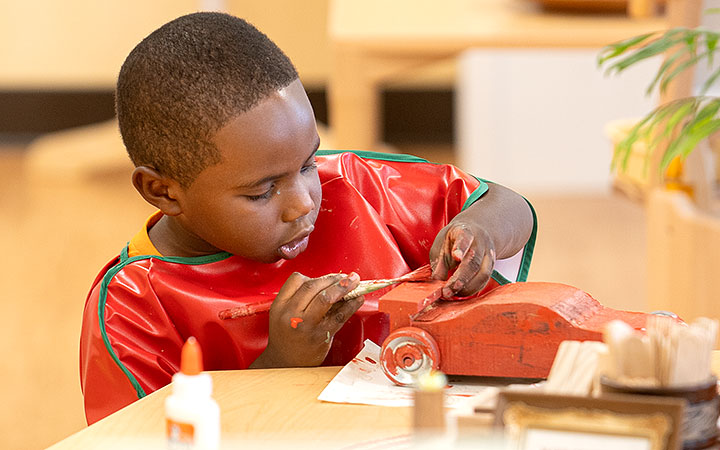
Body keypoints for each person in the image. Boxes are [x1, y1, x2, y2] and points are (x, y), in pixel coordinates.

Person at [79, 11, 536, 424]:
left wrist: (481, 233)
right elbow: (150, 435)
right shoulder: (135, 305)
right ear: (162, 191)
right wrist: (281, 360)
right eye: (262, 192)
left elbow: (505, 204)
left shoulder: (360, 186)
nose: (303, 203)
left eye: (307, 164)